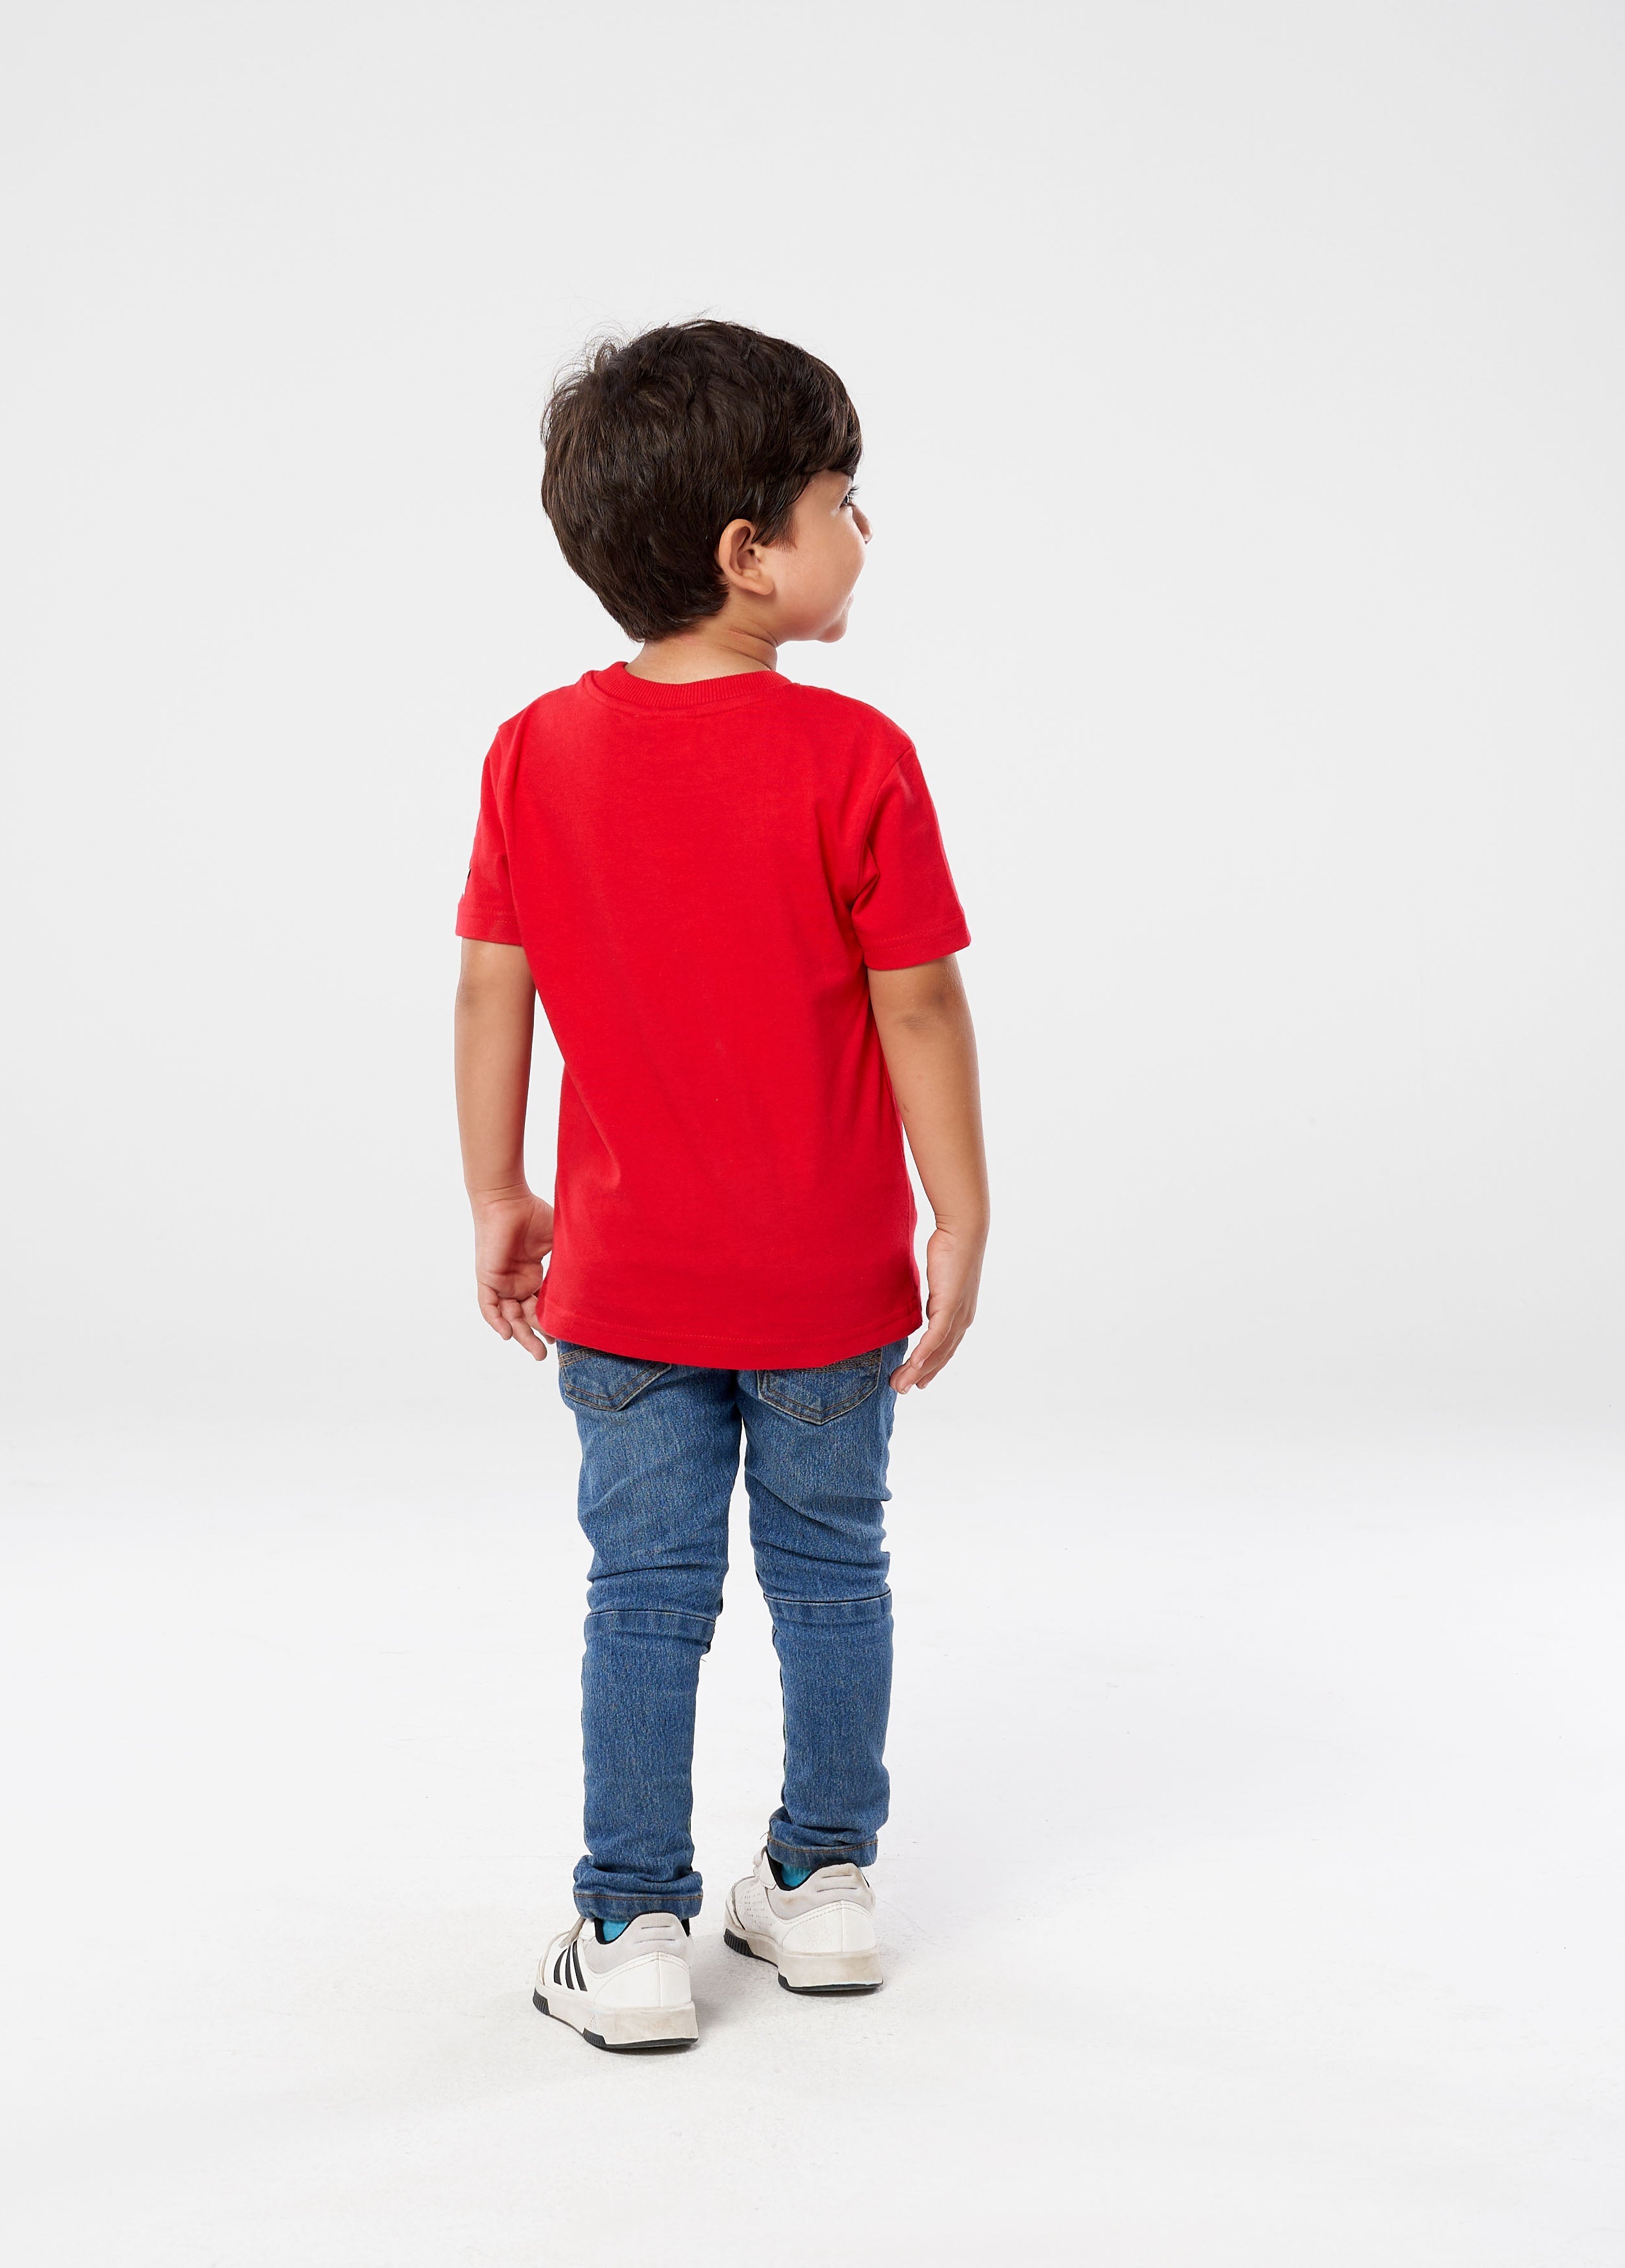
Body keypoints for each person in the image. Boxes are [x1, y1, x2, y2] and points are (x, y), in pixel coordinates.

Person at [453, 320, 987, 2053]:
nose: (863, 532)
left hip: (627, 1283)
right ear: (750, 553)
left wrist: (499, 1192)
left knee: (645, 1593)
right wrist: (961, 1211)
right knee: (833, 1573)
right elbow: (918, 1002)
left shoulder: (534, 751)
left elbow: (492, 988)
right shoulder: (857, 757)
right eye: (843, 502)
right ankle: (823, 1889)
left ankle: (631, 1930)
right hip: (828, 1286)